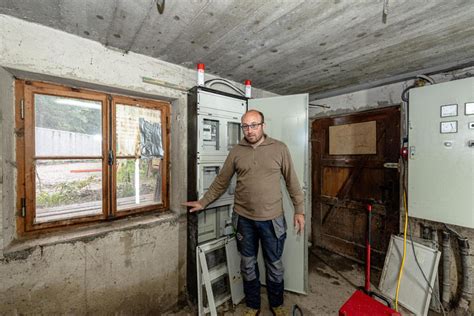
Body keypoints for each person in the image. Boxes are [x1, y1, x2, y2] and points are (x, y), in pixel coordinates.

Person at [183, 110, 305, 316]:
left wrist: (299, 210)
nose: (250, 130)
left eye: (254, 125)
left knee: (274, 266)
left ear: (263, 125)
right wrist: (203, 202)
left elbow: (292, 181)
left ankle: (276, 304)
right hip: (243, 219)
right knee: (247, 265)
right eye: (246, 126)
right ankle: (252, 305)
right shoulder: (237, 151)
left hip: (272, 220)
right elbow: (221, 181)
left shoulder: (279, 148)